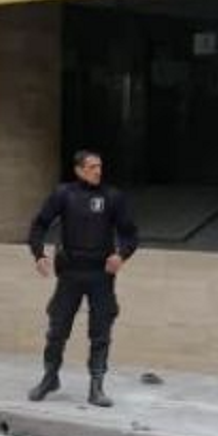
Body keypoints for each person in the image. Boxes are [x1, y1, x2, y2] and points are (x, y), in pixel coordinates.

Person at [26, 150, 139, 407]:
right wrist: (38, 253)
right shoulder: (64, 194)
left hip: (101, 274)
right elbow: (39, 224)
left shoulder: (112, 197)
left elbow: (130, 234)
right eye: (91, 167)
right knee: (57, 329)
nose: (97, 171)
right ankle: (50, 376)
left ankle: (96, 386)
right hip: (70, 273)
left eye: (99, 166)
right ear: (78, 170)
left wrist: (122, 255)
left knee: (100, 332)